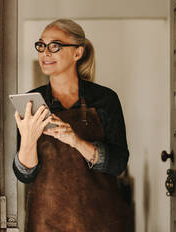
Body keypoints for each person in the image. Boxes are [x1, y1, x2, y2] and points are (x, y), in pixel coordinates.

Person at [12, 18, 130, 232]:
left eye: (54, 46)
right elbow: (25, 175)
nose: (45, 53)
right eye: (41, 45)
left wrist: (76, 141)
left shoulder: (105, 99)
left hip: (100, 220)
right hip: (46, 221)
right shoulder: (31, 102)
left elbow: (119, 163)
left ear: (78, 53)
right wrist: (28, 139)